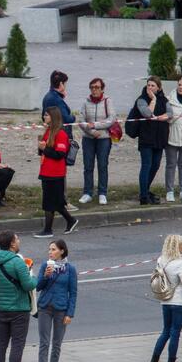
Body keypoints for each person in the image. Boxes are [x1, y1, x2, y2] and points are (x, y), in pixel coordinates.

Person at [0, 231, 38, 362]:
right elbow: (28, 285)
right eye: (17, 239)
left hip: (1, 308)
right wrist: (35, 277)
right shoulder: (17, 262)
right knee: (17, 345)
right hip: (19, 309)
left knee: (1, 344)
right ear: (11, 244)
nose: (19, 241)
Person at [146, 234, 182, 362]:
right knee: (175, 333)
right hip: (179, 302)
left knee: (165, 331)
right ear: (176, 246)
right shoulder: (180, 263)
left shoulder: (161, 260)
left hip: (165, 300)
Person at [35, 240, 77, 362]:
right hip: (45, 307)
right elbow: (38, 287)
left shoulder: (70, 269)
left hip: (61, 308)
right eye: (49, 249)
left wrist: (69, 313)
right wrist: (46, 276)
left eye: (53, 249)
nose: (50, 252)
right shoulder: (45, 265)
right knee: (44, 342)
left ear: (62, 251)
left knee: (57, 343)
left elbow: (73, 293)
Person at [34, 106, 78, 238]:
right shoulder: (48, 132)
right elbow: (43, 151)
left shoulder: (61, 134)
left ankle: (48, 230)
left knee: (50, 202)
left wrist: (44, 148)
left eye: (47, 115)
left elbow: (59, 154)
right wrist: (41, 148)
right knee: (56, 202)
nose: (44, 117)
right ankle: (71, 221)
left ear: (53, 117)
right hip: (46, 170)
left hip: (55, 173)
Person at [41, 70, 78, 212]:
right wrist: (73, 117)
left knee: (54, 169)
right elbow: (67, 118)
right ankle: (63, 202)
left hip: (52, 135)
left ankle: (59, 200)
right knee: (60, 170)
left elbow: (43, 115)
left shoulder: (48, 96)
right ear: (61, 84)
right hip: (60, 135)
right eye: (65, 83)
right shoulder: (55, 99)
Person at [134, 76, 172, 205]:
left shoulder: (165, 100)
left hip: (160, 138)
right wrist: (153, 100)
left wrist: (164, 116)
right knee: (146, 165)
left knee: (155, 165)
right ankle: (143, 196)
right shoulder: (142, 100)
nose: (149, 88)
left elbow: (170, 113)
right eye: (148, 85)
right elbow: (147, 114)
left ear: (159, 88)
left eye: (153, 86)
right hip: (146, 138)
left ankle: (145, 189)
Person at [79, 77, 116, 206]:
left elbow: (111, 119)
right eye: (92, 87)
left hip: (104, 138)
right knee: (88, 166)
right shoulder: (85, 102)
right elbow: (81, 120)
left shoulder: (108, 101)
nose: (94, 90)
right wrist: (91, 131)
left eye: (97, 87)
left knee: (102, 165)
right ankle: (88, 192)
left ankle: (102, 193)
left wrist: (95, 126)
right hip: (88, 138)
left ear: (102, 89)